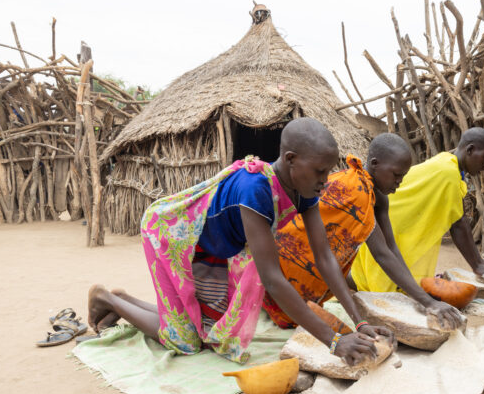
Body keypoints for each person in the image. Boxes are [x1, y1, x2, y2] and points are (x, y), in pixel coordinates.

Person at [87, 118, 393, 365]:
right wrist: (334, 341)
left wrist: (360, 323)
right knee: (185, 342)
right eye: (319, 171)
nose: (325, 180)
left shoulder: (305, 191)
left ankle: (124, 299)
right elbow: (272, 279)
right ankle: (107, 299)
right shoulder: (255, 189)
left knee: (209, 332)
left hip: (214, 251)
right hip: (173, 234)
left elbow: (325, 258)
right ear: (290, 160)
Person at [263, 133, 463, 330]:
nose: (399, 182)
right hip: (289, 265)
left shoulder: (378, 197)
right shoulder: (357, 192)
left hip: (310, 262)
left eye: (403, 177)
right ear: (375, 164)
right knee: (299, 314)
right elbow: (381, 254)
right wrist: (428, 302)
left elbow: (391, 247)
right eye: (395, 175)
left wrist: (416, 294)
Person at [351, 127, 484, 293]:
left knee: (387, 279)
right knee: (385, 289)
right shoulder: (448, 172)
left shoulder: (447, 164)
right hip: (392, 219)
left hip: (395, 219)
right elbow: (458, 223)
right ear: (470, 149)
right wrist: (478, 265)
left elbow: (456, 218)